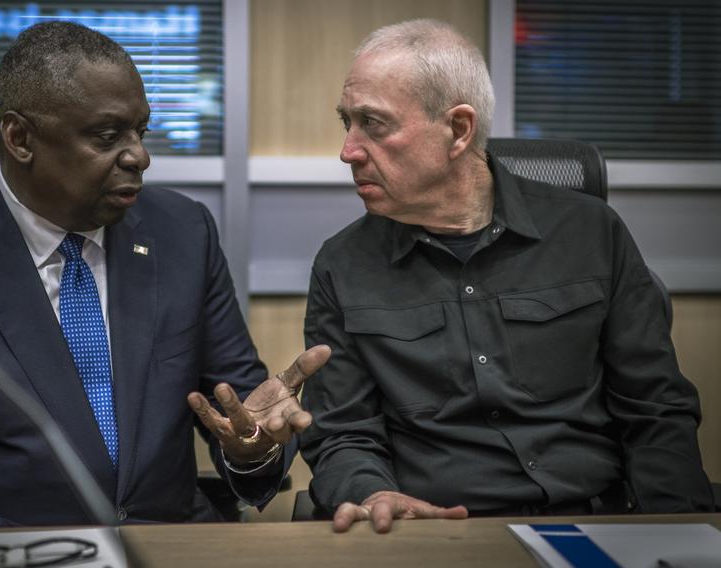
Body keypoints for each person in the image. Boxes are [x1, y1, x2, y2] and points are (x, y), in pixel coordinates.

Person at [0, 21, 329, 528]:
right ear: (19, 137)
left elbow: (240, 415)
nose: (139, 156)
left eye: (140, 131)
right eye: (108, 136)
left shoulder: (182, 233)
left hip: (174, 552)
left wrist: (251, 449)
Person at [300, 19, 714, 534]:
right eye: (348, 123)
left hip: (595, 520)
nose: (349, 150)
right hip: (438, 533)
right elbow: (344, 433)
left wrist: (675, 533)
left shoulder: (590, 232)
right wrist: (373, 493)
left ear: (458, 129)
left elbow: (655, 409)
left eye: (374, 124)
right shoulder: (343, 265)